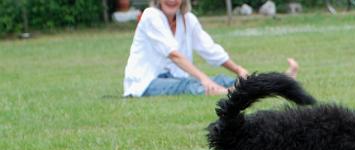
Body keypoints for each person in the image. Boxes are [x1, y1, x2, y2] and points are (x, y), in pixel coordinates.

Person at [123, 0, 299, 97]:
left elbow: (210, 50)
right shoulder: (150, 16)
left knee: (223, 78)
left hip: (177, 77)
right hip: (146, 82)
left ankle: (279, 81)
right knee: (192, 85)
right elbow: (174, 54)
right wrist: (204, 79)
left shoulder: (187, 19)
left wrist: (238, 69)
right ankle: (236, 92)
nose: (172, 0)